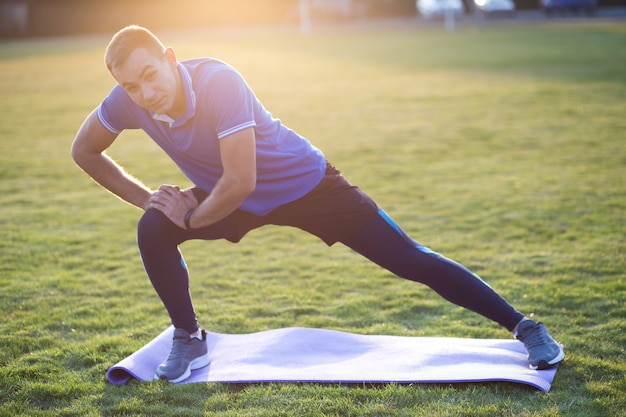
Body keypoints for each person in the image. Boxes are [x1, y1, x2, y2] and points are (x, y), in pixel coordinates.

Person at [72, 25, 564, 383]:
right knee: (153, 229)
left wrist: (190, 214)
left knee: (409, 259)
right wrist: (154, 203)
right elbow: (84, 151)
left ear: (171, 58)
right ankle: (188, 336)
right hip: (230, 195)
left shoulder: (219, 81)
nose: (145, 93)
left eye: (150, 76)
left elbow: (242, 180)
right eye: (131, 86)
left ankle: (525, 326)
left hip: (306, 186)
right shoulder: (128, 100)